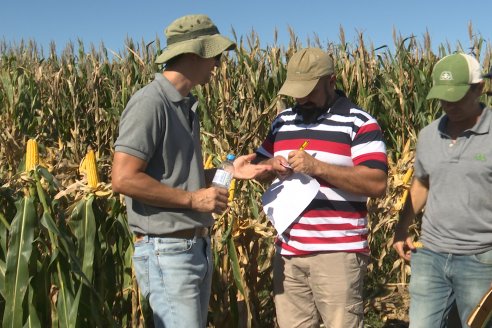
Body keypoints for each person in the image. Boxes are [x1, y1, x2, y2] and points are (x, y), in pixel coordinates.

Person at [111, 14, 270, 328]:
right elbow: (124, 178)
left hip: (193, 248)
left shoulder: (184, 106)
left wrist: (228, 172)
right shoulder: (150, 104)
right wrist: (194, 201)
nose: (218, 64)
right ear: (196, 53)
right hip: (167, 251)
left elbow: (178, 179)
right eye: (215, 55)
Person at [254, 48, 388, 327]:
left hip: (337, 253)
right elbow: (258, 168)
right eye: (297, 91)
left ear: (331, 81)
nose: (302, 98)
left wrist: (318, 167)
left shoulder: (359, 123)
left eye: (310, 91)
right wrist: (270, 167)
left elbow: (376, 183)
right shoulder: (283, 122)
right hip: (288, 252)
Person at [393, 53, 492, 328]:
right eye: (443, 97)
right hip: (431, 256)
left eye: (458, 96)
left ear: (479, 88)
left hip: (481, 258)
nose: (449, 104)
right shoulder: (428, 134)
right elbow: (422, 184)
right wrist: (401, 230)